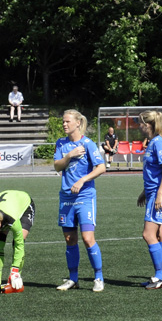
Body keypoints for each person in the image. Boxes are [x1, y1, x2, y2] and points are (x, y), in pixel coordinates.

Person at [54, 109, 107, 292]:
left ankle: (98, 277)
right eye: (63, 121)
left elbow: (101, 168)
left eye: (67, 121)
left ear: (78, 123)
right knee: (70, 239)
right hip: (66, 198)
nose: (64, 124)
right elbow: (56, 166)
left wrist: (83, 179)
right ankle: (73, 278)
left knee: (87, 238)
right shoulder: (61, 143)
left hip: (85, 197)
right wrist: (69, 155)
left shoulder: (88, 144)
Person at [136, 111, 162, 290]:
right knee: (160, 234)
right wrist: (145, 192)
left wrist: (159, 194)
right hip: (154, 193)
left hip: (160, 195)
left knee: (148, 234)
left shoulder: (159, 142)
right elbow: (155, 172)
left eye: (141, 123)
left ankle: (159, 276)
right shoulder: (153, 142)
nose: (139, 126)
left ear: (149, 125)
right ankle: (161, 275)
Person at [0, 191, 35, 293]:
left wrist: (15, 269)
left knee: (17, 241)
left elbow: (19, 245)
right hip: (5, 209)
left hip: (24, 204)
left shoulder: (12, 220)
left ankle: (16, 277)